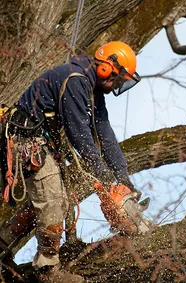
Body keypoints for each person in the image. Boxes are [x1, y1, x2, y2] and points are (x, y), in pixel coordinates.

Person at [0, 41, 143, 282]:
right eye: (117, 79)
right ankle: (47, 270)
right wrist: (105, 179)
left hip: (40, 143)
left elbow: (103, 131)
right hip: (27, 141)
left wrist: (122, 178)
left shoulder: (92, 87)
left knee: (55, 201)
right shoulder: (76, 80)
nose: (116, 86)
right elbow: (81, 138)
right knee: (53, 200)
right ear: (107, 67)